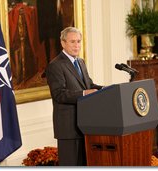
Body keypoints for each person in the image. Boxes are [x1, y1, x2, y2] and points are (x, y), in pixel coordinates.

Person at [46, 27, 103, 166]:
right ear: (63, 43)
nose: (76, 45)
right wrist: (84, 94)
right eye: (72, 42)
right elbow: (59, 94)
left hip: (85, 124)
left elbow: (89, 84)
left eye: (78, 41)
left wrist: (107, 89)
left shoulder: (80, 62)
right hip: (68, 128)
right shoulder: (55, 65)